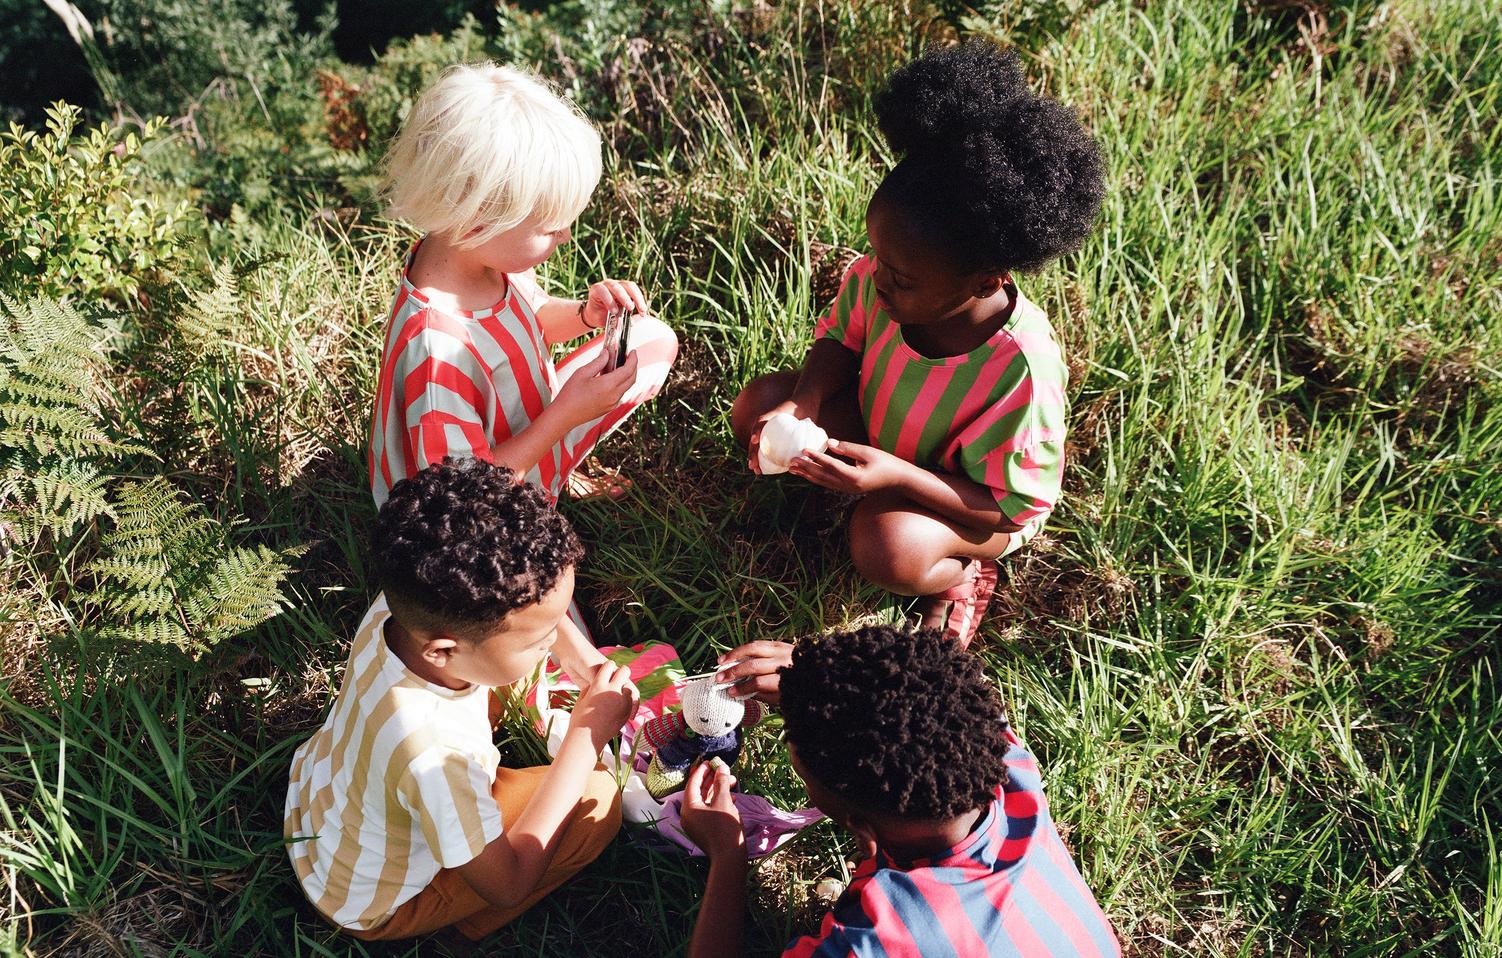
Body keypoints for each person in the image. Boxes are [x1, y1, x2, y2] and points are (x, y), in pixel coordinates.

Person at [732, 42, 1104, 646]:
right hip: (887, 442)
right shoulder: (880, 280)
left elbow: (1008, 508)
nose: (876, 278)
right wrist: (802, 404)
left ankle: (959, 577)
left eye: (901, 277)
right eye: (877, 256)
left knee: (889, 547)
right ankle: (851, 494)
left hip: (968, 498)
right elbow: (840, 342)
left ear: (987, 279)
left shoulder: (1020, 368)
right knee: (759, 403)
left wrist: (898, 478)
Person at [370, 60, 678, 644]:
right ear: (478, 218)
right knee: (527, 612)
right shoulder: (438, 356)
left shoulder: (478, 260)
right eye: (552, 227)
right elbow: (459, 496)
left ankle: (551, 481)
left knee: (652, 339)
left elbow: (532, 317)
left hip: (528, 432)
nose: (565, 238)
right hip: (460, 505)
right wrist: (567, 415)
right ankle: (565, 676)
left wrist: (585, 316)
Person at [284, 458, 639, 941]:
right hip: (373, 900)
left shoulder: (410, 602)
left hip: (322, 806)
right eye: (540, 638)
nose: (556, 639)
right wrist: (586, 736)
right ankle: (459, 927)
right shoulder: (436, 758)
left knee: (504, 673)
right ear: (444, 650)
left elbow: (523, 616)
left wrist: (581, 662)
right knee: (596, 798)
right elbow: (508, 883)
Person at [685, 628, 1120, 957]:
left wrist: (727, 856)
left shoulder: (874, 942)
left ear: (860, 829)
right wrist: (813, 673)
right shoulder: (1010, 769)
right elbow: (917, 695)